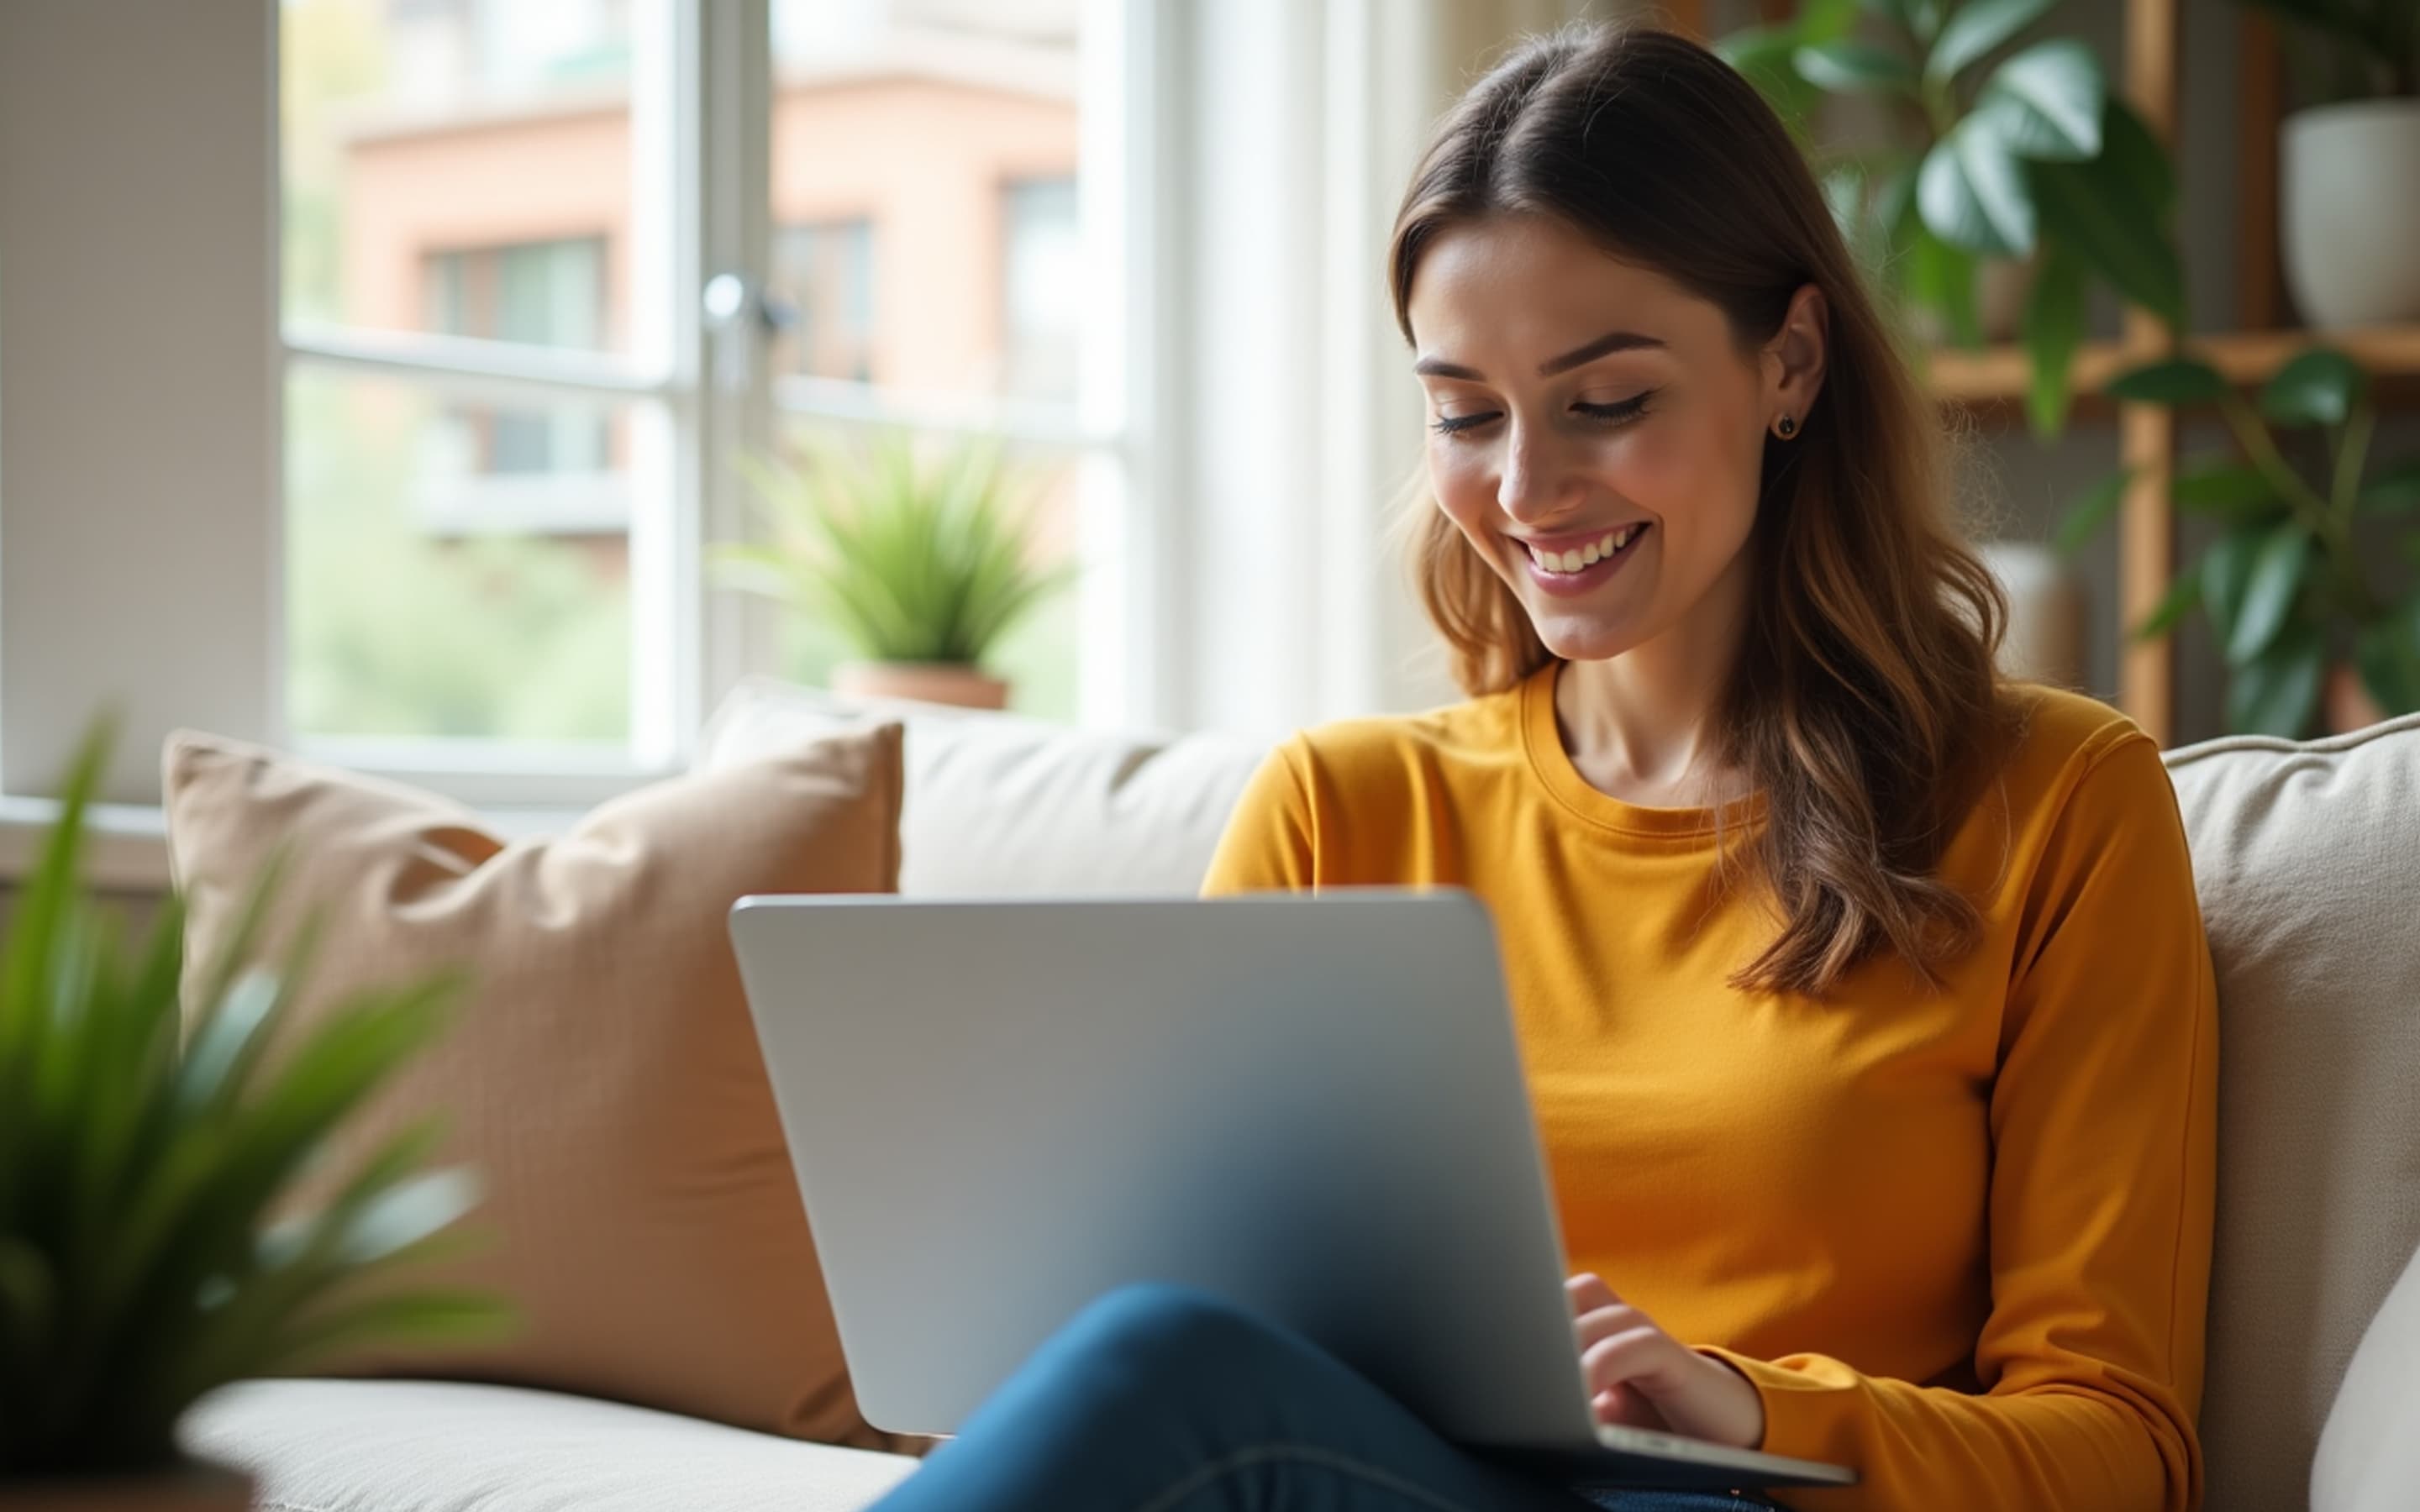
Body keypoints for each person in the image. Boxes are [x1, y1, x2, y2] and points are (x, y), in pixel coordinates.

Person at [865, 20, 2216, 1512]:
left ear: (1792, 360)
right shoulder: (1341, 811)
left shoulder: (2060, 804)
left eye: (1608, 401)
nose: (1522, 489)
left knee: (1165, 1371)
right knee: (1159, 1350)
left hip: (1749, 1505)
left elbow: (2121, 1448)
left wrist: (1748, 1410)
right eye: (1464, 412)